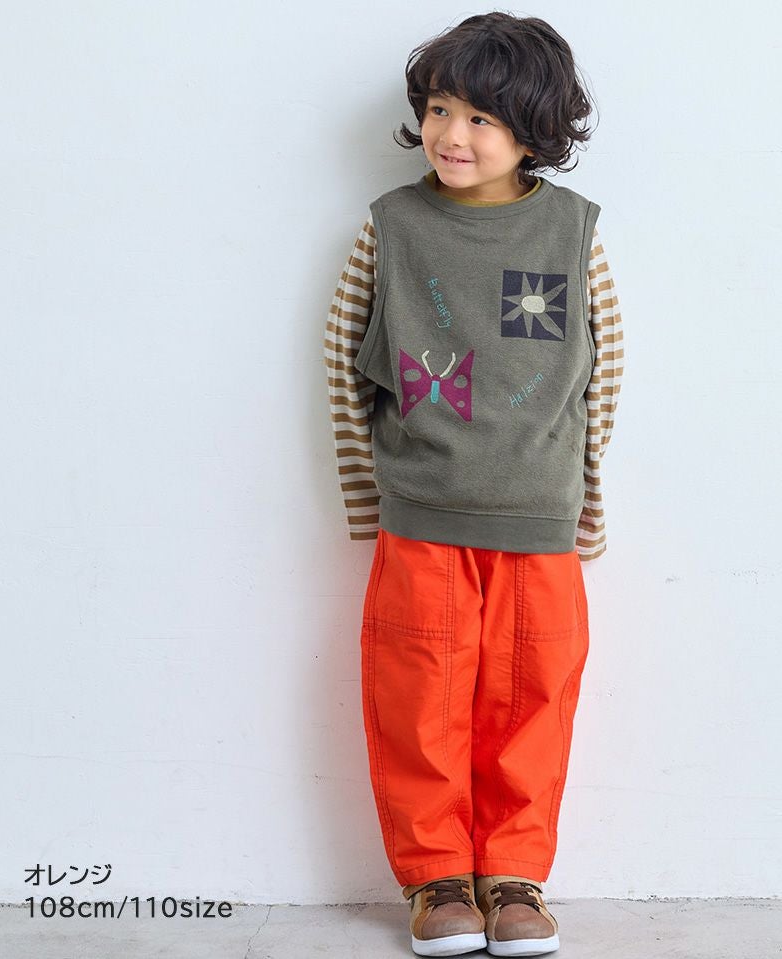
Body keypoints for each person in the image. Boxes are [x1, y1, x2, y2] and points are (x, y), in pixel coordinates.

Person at [323, 11, 624, 957]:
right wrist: (368, 501)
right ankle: (436, 879)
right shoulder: (392, 228)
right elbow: (342, 361)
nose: (452, 134)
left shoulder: (572, 233)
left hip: (538, 516)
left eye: (481, 118)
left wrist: (584, 507)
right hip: (422, 514)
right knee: (418, 695)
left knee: (532, 697)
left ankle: (514, 876)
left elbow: (600, 375)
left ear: (534, 130)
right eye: (440, 109)